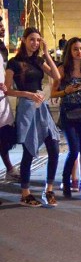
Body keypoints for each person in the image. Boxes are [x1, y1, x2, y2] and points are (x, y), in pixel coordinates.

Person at [5, 28, 61, 207]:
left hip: (41, 107)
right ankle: (25, 193)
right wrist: (27, 94)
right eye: (32, 39)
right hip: (27, 107)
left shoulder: (38, 60)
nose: (35, 43)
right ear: (23, 40)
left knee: (53, 146)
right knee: (29, 149)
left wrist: (46, 53)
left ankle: (49, 189)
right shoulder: (14, 63)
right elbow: (7, 90)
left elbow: (57, 76)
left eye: (38, 40)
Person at [51, 37, 81, 199]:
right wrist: (66, 91)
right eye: (76, 49)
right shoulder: (62, 69)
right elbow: (53, 93)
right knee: (73, 150)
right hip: (67, 111)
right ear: (70, 51)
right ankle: (66, 181)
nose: (79, 52)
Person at [0, 16, 20, 183]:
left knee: (4, 137)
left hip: (2, 99)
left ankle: (9, 168)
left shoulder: (2, 49)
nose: (3, 28)